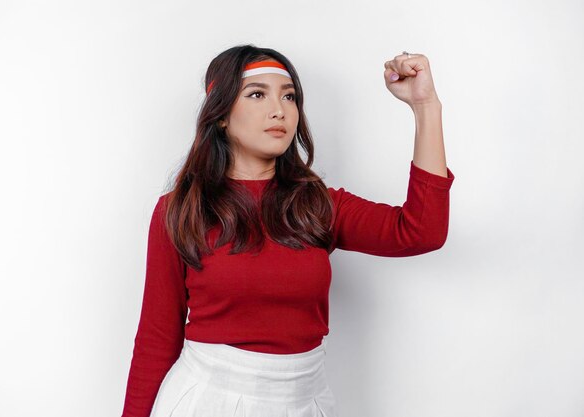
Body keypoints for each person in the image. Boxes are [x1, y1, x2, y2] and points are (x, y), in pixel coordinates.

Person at [121, 44, 454, 417]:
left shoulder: (318, 206)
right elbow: (156, 339)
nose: (279, 109)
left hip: (305, 402)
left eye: (289, 96)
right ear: (221, 116)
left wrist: (426, 108)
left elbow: (422, 231)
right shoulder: (182, 210)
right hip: (207, 401)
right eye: (257, 94)